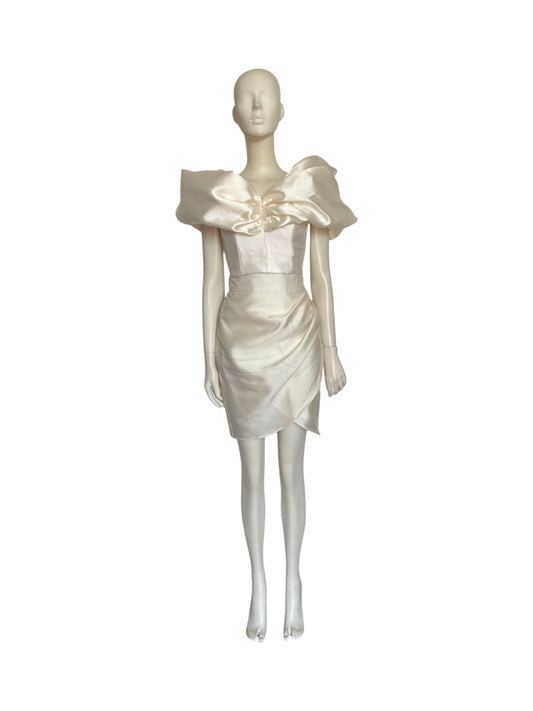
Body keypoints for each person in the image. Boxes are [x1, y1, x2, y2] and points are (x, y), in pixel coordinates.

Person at [176, 68, 357, 642]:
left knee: (292, 472)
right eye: (246, 99)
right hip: (239, 342)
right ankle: (258, 581)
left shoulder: (307, 188)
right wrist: (207, 353)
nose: (256, 105)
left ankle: (294, 579)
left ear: (282, 111)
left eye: (267, 97)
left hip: (298, 334)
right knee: (251, 474)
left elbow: (322, 276)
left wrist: (332, 348)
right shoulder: (217, 196)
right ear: (234, 114)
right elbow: (210, 280)